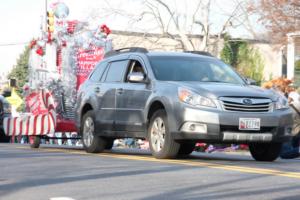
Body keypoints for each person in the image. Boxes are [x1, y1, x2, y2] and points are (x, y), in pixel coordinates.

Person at [280, 89, 300, 159]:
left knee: (284, 154)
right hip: (297, 135)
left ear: (290, 99)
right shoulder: (297, 107)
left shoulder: (290, 109)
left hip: (289, 134)